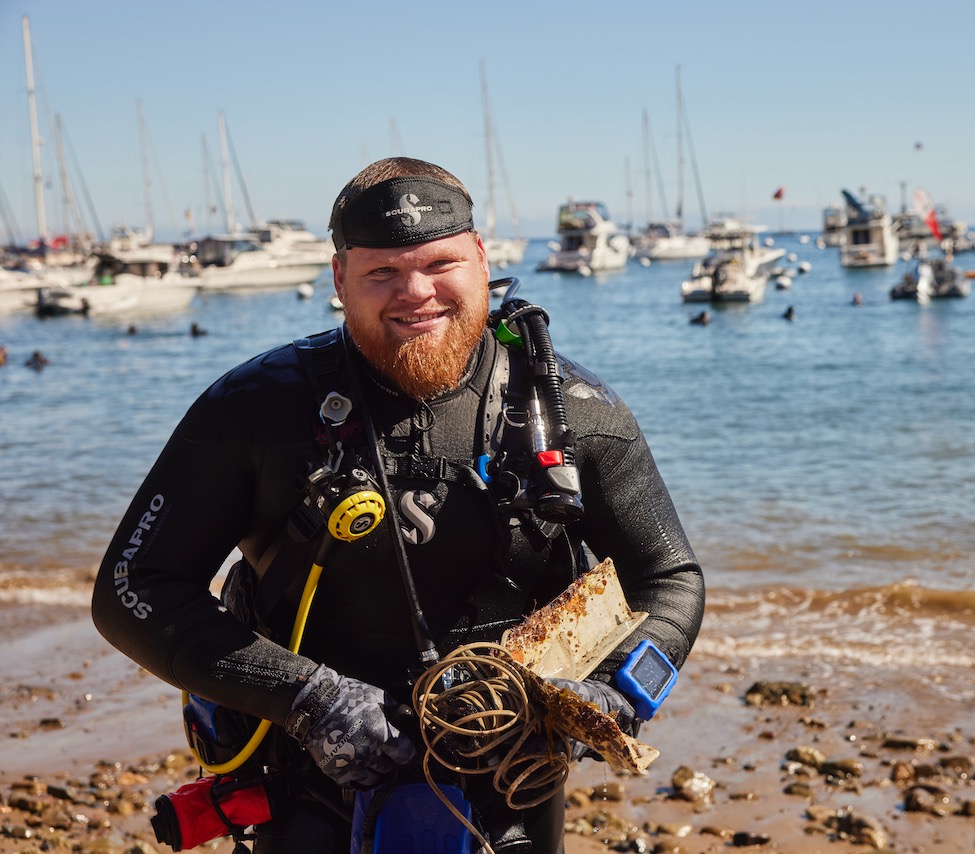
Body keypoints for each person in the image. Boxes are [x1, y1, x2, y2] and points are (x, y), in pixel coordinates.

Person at [92, 157, 705, 853]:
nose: (415, 293)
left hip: (511, 779)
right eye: (381, 272)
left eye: (440, 264)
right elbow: (132, 585)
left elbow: (670, 578)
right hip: (312, 778)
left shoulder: (570, 415)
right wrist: (309, 699)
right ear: (338, 279)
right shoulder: (256, 410)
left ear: (480, 257)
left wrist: (614, 695)